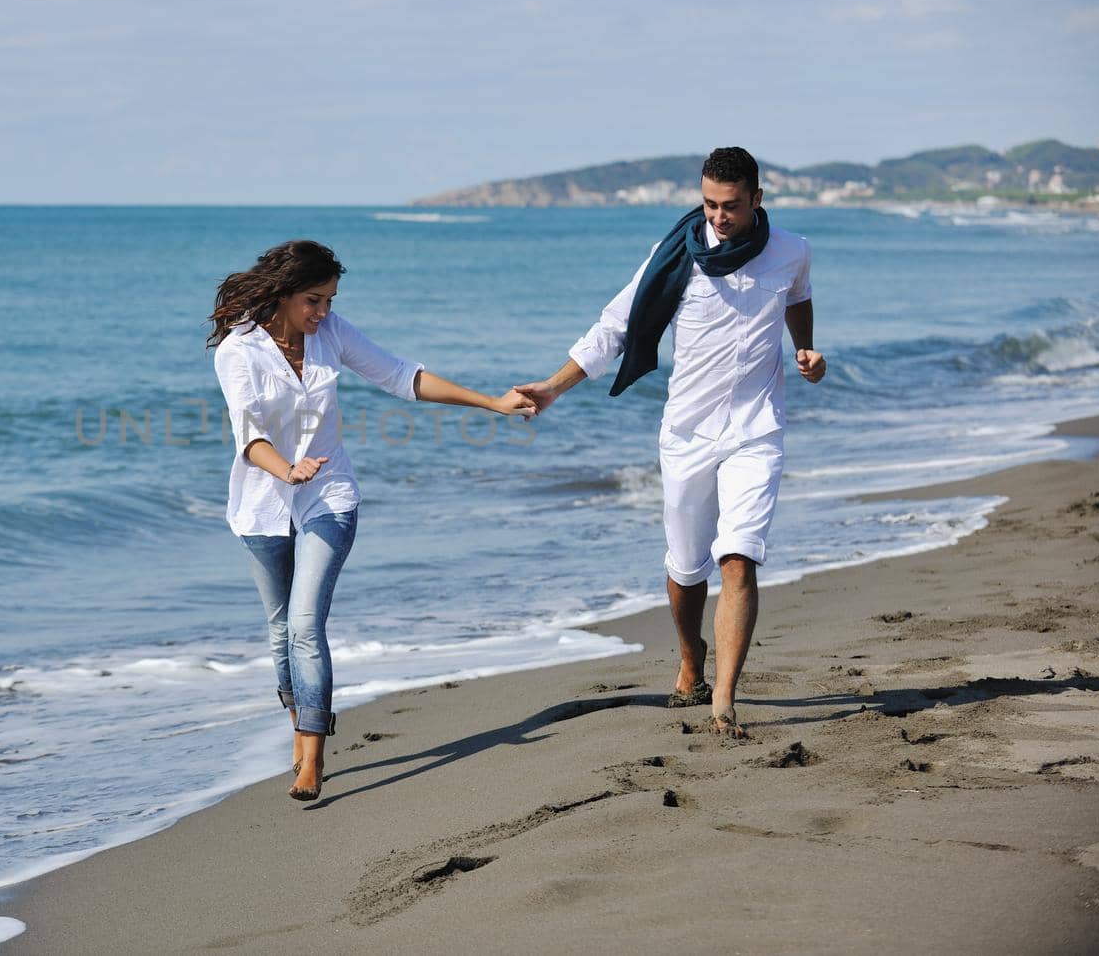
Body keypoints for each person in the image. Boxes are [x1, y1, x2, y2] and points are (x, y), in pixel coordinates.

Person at [515, 147, 825, 738]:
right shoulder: (675, 253)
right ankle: (691, 658)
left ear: (758, 200)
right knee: (687, 570)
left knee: (739, 559)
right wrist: (555, 387)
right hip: (686, 434)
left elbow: (798, 297)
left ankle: (724, 702)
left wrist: (805, 350)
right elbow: (616, 324)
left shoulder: (792, 250)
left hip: (757, 428)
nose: (717, 216)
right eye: (709, 203)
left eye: (730, 205)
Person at [208, 239, 533, 800]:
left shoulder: (330, 334)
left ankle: (312, 758)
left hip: (328, 494)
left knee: (307, 624)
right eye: (314, 300)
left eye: (330, 300)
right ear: (282, 295)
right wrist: (286, 471)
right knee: (281, 628)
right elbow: (249, 438)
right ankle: (298, 722)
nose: (324, 313)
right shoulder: (238, 351)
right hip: (262, 500)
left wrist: (492, 403)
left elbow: (401, 377)